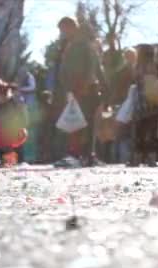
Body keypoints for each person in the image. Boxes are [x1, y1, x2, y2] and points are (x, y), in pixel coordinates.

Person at [55, 16, 104, 167]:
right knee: (83, 123)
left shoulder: (80, 45)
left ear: (71, 27)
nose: (62, 33)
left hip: (83, 89)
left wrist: (78, 87)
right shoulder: (79, 44)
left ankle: (81, 155)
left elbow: (90, 67)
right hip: (83, 88)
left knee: (80, 123)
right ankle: (87, 155)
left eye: (63, 29)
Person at [130, 44, 158, 166]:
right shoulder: (156, 66)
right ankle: (152, 157)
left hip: (140, 105)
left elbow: (136, 83)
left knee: (139, 131)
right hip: (154, 104)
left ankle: (137, 158)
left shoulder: (137, 67)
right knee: (153, 132)